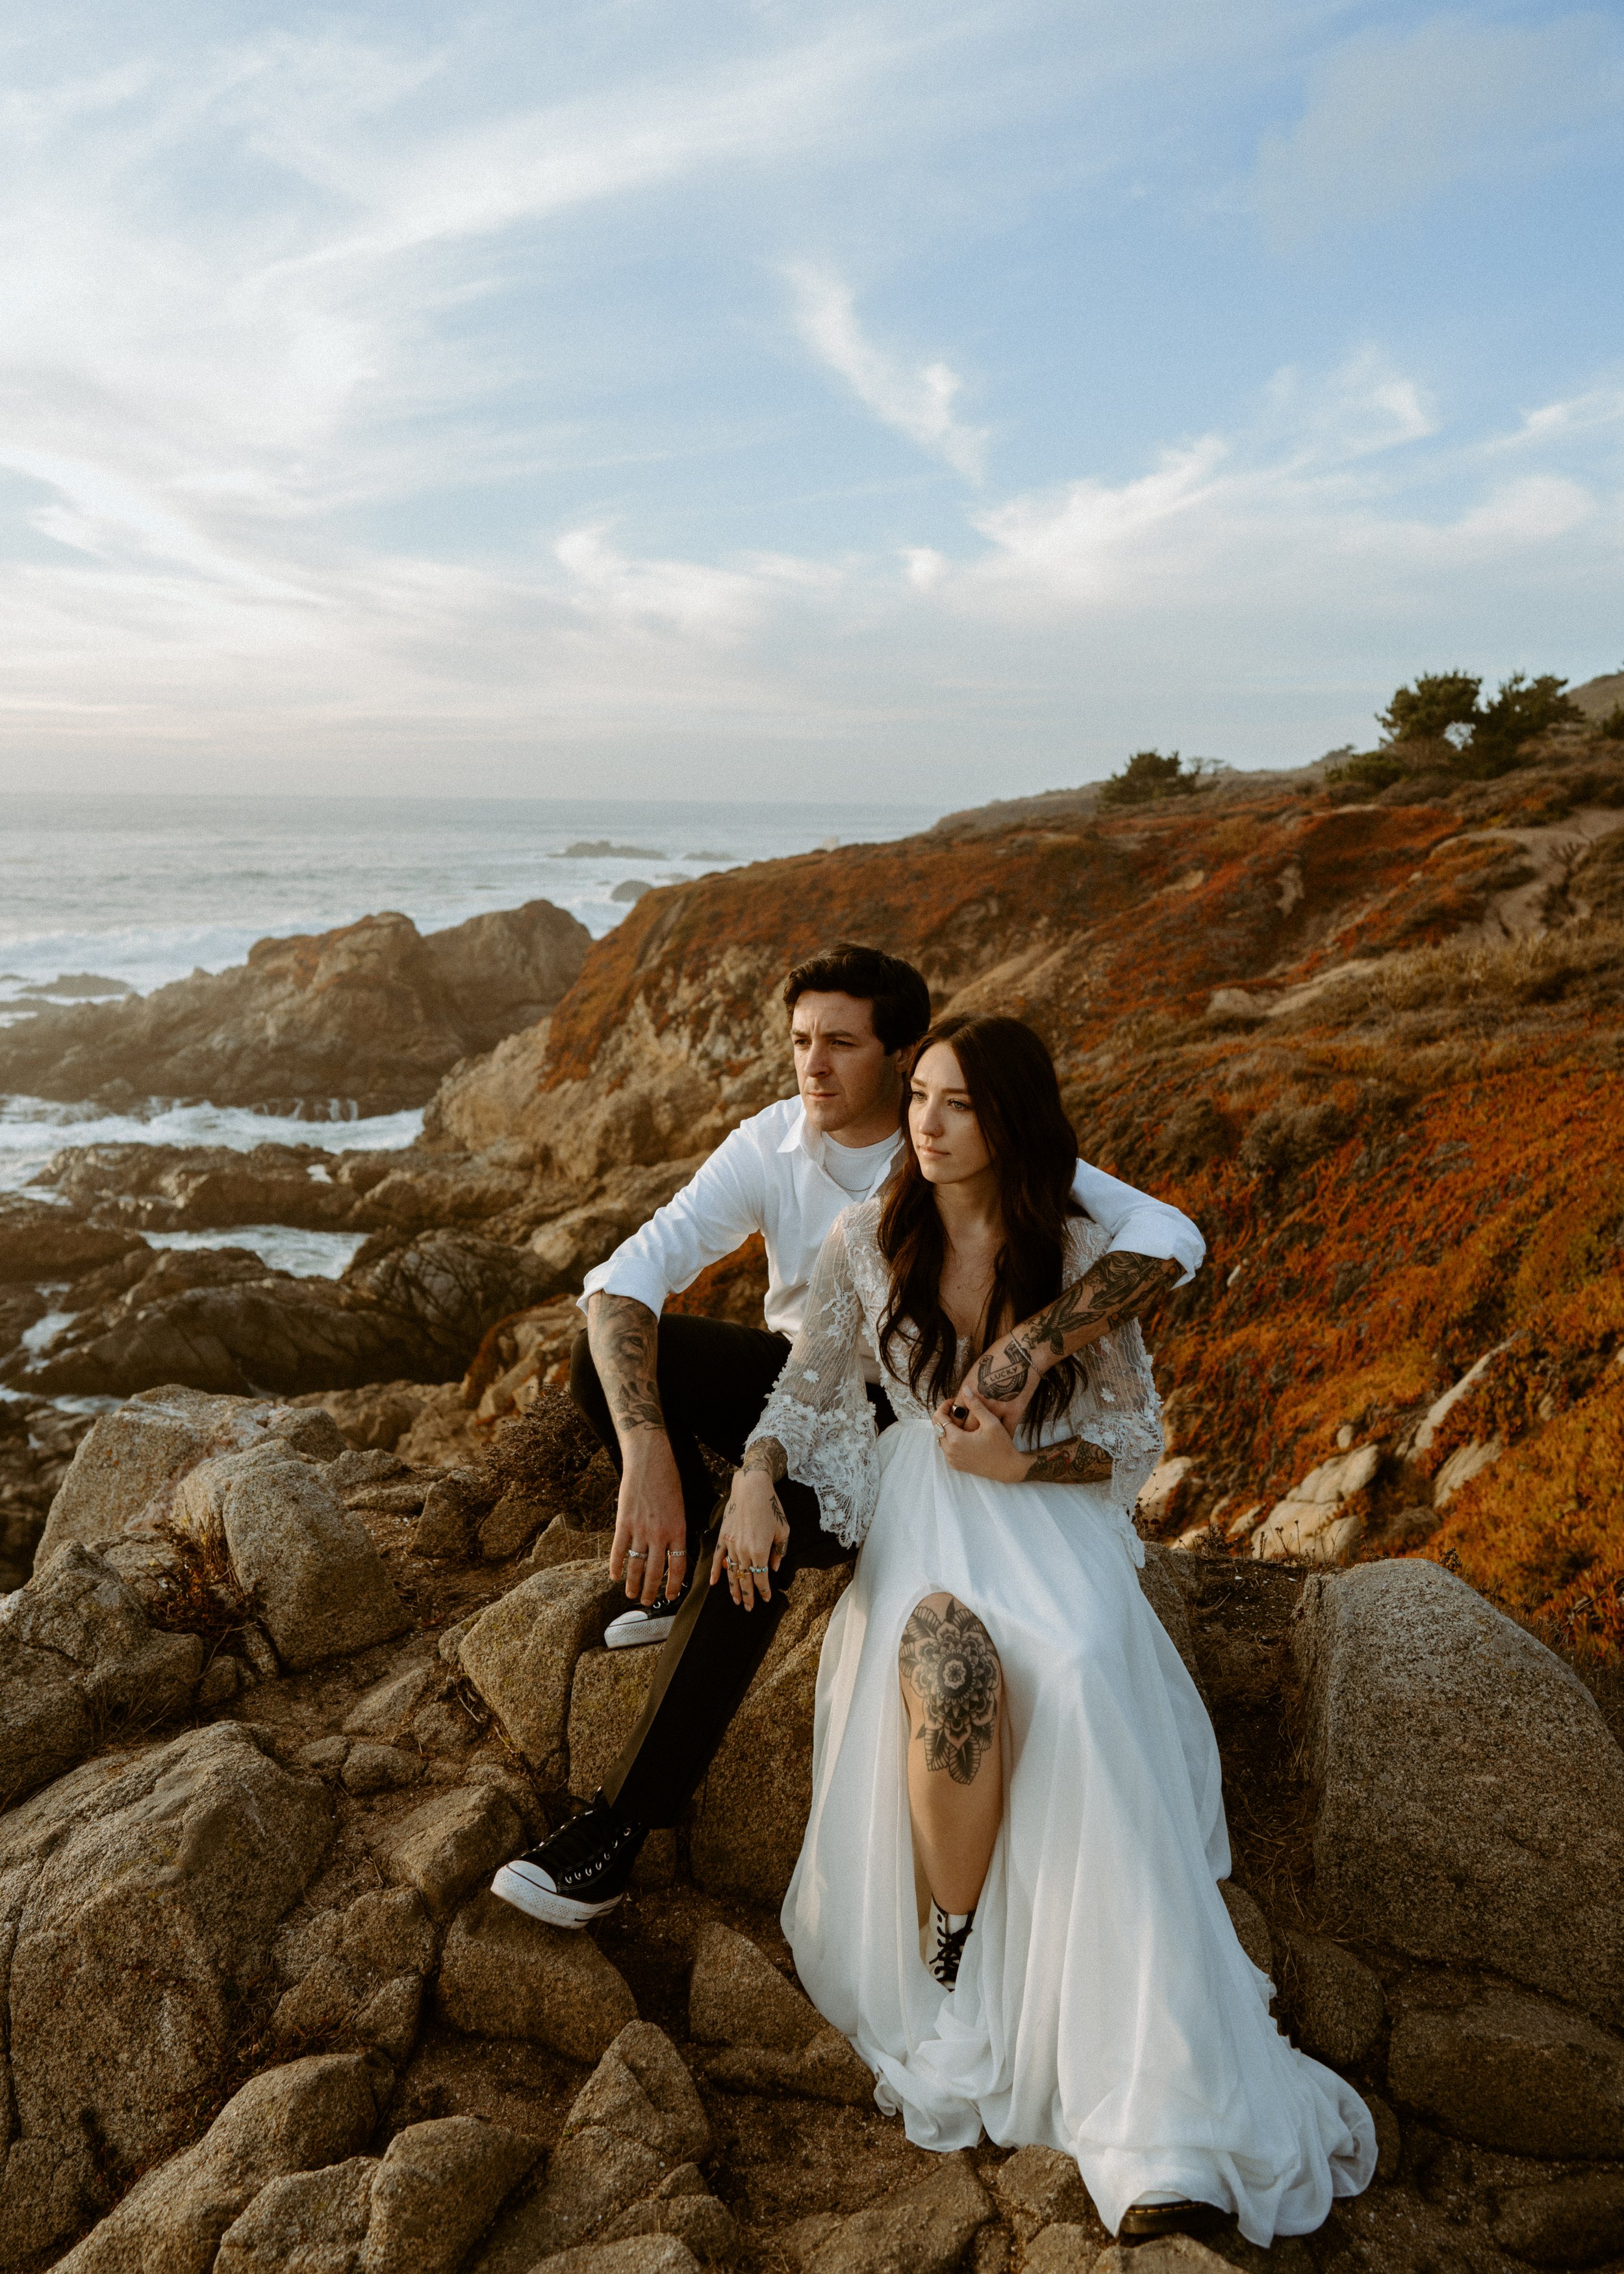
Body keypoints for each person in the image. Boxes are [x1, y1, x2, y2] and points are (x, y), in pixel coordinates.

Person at [713, 1014, 1375, 2245]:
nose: (925, 1122)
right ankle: (953, 1949)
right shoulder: (871, 1239)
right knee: (953, 1663)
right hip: (921, 1521)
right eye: (917, 1096)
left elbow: (1130, 1441)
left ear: (1009, 1121)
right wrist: (754, 1479)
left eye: (955, 1103)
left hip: (1036, 1522)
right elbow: (806, 1389)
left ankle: (1159, 2112)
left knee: (1069, 1672)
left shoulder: (1073, 1249)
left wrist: (1020, 1466)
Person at [491, 947, 1205, 1932]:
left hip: (920, 1420)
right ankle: (700, 1549)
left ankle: (619, 1829)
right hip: (810, 1385)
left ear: (901, 1053)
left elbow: (1172, 1238)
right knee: (613, 1360)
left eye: (839, 1045)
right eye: (798, 1043)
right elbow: (629, 1274)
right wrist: (652, 1457)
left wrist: (1030, 1353)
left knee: (771, 1526)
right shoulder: (777, 1144)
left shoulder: (970, 1133)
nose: (811, 1067)